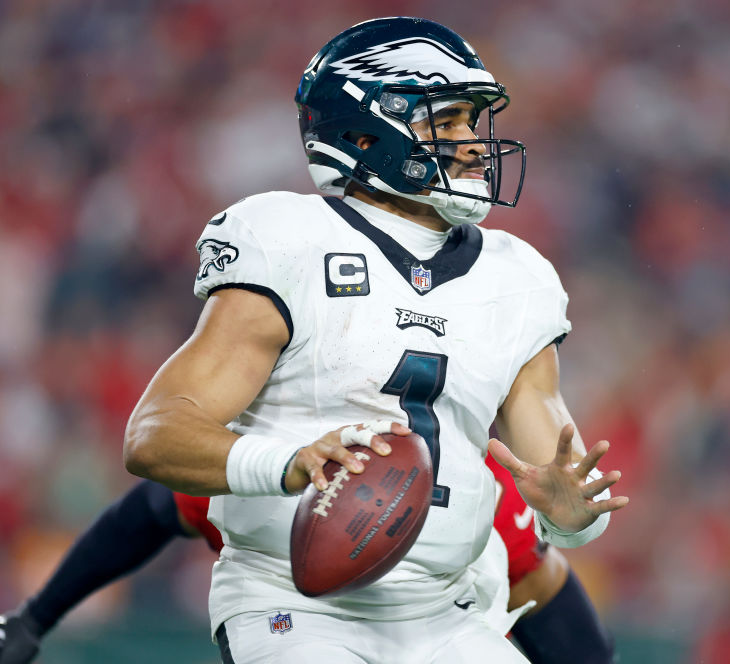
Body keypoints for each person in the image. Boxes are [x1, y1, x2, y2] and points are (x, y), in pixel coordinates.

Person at [122, 15, 627, 664]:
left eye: (473, 123)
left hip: (450, 614)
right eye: (446, 122)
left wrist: (573, 516)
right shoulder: (284, 238)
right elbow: (156, 435)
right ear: (364, 130)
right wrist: (290, 462)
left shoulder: (518, 275)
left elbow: (556, 472)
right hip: (293, 607)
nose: (473, 145)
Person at [0, 460, 615, 663]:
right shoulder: (262, 466)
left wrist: (36, 619)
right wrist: (35, 617)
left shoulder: (475, 495)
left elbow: (542, 582)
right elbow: (154, 509)